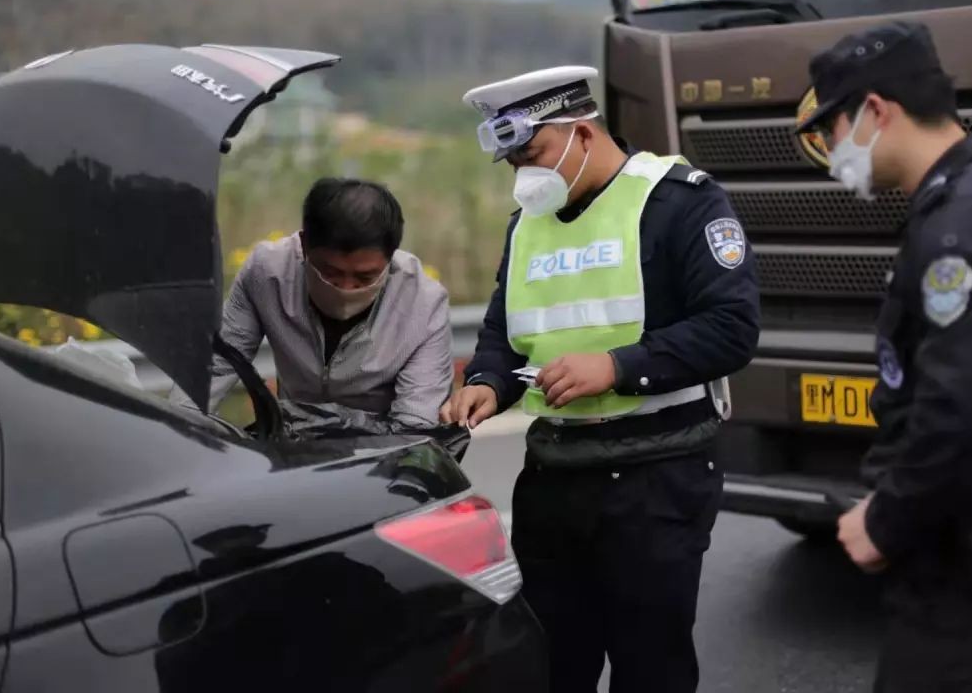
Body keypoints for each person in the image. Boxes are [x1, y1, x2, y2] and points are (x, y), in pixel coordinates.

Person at [441, 66, 759, 693]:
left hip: (655, 478)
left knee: (650, 668)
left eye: (530, 155)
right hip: (554, 478)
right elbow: (505, 332)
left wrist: (617, 366)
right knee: (551, 665)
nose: (522, 177)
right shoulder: (527, 222)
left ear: (581, 134)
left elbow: (732, 327)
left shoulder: (680, 202)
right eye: (511, 165)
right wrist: (487, 382)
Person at [797, 20, 972, 692]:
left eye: (833, 129)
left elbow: (968, 402)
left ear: (878, 110)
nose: (830, 151)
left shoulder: (964, 224)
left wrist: (887, 520)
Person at [173, 177, 454, 433]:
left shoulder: (423, 305)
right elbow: (217, 364)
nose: (346, 288)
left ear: (391, 257)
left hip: (382, 457)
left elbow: (415, 426)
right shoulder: (267, 275)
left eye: (364, 277)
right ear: (304, 244)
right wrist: (178, 431)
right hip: (293, 448)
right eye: (329, 272)